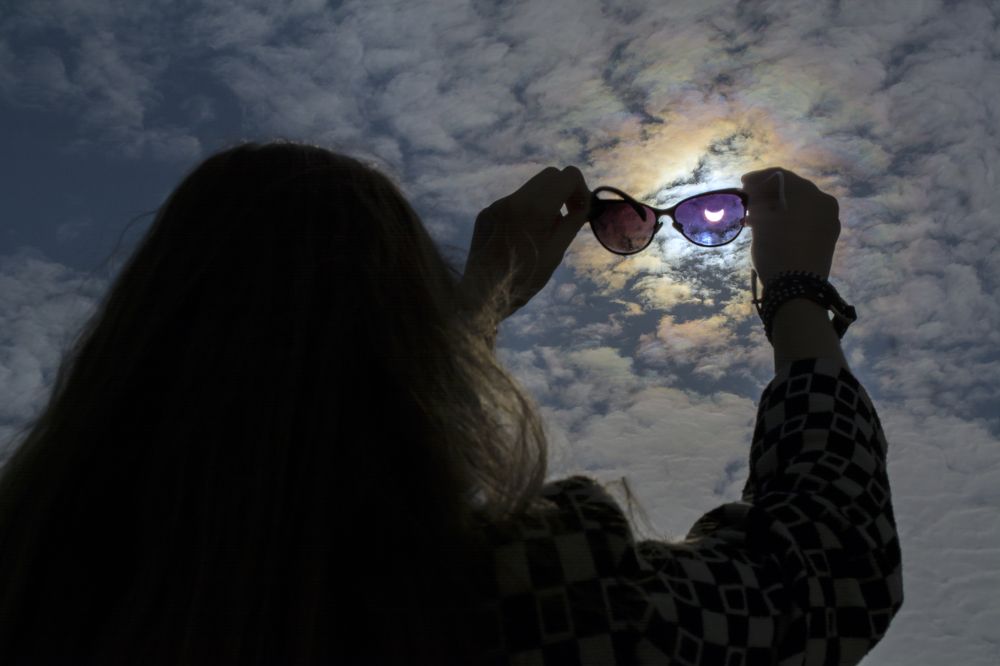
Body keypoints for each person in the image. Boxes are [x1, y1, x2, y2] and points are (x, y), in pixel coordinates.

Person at [0, 140, 902, 665]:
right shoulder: (513, 601)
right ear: (402, 342)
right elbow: (824, 574)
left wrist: (475, 306)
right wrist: (795, 290)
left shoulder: (37, 588)